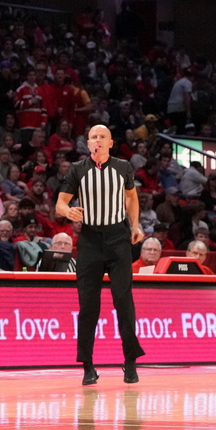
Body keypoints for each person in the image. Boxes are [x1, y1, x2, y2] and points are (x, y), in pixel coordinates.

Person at [55, 124, 145, 386]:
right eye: (93, 136)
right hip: (90, 240)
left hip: (118, 239)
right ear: (88, 142)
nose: (97, 140)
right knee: (88, 306)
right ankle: (87, 366)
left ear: (110, 142)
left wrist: (135, 225)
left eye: (102, 136)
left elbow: (131, 198)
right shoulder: (77, 169)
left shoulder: (123, 167)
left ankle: (130, 361)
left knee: (123, 301)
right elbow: (61, 202)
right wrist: (67, 211)